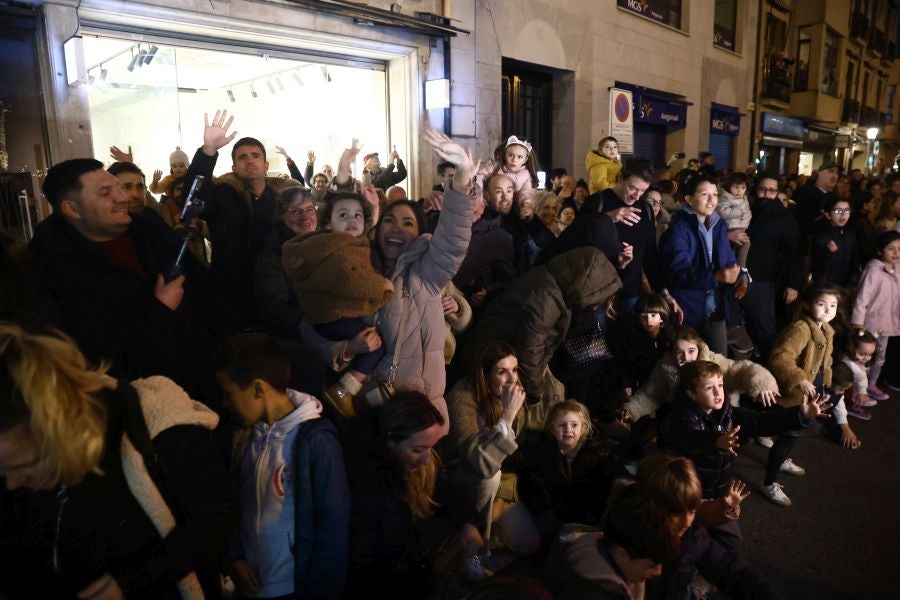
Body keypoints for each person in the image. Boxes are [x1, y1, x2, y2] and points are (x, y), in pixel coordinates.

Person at [0, 324, 236, 599]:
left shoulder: (154, 427)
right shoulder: (11, 466)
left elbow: (218, 515)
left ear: (60, 428)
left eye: (22, 467)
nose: (12, 483)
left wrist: (132, 581)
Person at [304, 129, 478, 432]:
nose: (396, 229)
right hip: (363, 410)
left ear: (420, 233)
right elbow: (312, 323)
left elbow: (453, 239)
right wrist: (346, 349)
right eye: (389, 220)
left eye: (407, 223)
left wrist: (461, 180)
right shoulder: (355, 267)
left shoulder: (426, 274)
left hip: (417, 412)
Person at [25, 158, 215, 403]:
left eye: (118, 187)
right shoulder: (49, 269)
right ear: (72, 209)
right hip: (128, 404)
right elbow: (89, 355)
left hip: (193, 386)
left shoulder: (149, 230)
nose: (123, 197)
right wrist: (159, 310)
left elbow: (203, 287)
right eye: (106, 192)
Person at [214, 333, 349, 600]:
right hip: (252, 586)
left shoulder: (315, 442)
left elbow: (332, 532)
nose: (224, 403)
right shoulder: (243, 437)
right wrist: (235, 557)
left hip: (293, 589)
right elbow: (232, 504)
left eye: (229, 393)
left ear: (258, 388)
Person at [343, 390, 485, 597]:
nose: (426, 459)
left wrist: (469, 523)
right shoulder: (368, 484)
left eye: (430, 448)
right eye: (418, 450)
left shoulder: (419, 464)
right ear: (390, 439)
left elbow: (448, 493)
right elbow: (362, 559)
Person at [183, 110, 300, 334]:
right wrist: (208, 151)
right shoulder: (222, 197)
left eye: (255, 155)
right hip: (230, 295)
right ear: (234, 167)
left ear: (266, 165)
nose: (249, 161)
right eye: (242, 157)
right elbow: (192, 198)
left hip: (275, 293)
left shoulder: (282, 203)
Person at [458, 246, 622, 405]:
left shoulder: (552, 283)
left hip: (494, 356)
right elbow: (529, 348)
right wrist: (533, 392)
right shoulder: (548, 297)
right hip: (489, 363)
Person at [283, 192, 393, 415]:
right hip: (335, 317)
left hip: (329, 317)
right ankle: (342, 392)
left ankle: (351, 397)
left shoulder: (339, 243)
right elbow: (349, 278)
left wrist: (374, 212)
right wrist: (382, 286)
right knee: (374, 348)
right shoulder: (337, 248)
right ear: (327, 224)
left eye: (358, 215)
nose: (352, 220)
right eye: (343, 215)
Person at [660, 360, 830, 504]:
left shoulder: (727, 412)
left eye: (720, 384)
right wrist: (716, 441)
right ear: (692, 394)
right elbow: (690, 438)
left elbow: (762, 422)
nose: (718, 392)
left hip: (720, 484)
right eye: (709, 388)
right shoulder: (680, 417)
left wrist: (799, 415)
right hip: (691, 489)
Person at [444, 341, 553, 557]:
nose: (512, 378)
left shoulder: (510, 393)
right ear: (485, 374)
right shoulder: (463, 396)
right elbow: (480, 464)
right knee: (490, 477)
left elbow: (516, 453)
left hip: (501, 483)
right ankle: (476, 549)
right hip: (462, 482)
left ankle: (494, 519)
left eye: (514, 370)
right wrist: (508, 414)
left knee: (529, 543)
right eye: (502, 372)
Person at [582, 158, 683, 324]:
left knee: (628, 347)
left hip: (631, 294)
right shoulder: (597, 202)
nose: (636, 196)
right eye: (632, 188)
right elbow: (577, 239)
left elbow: (650, 256)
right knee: (599, 349)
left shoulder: (646, 210)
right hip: (597, 295)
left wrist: (665, 294)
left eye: (643, 191)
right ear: (620, 178)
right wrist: (606, 219)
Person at [766, 284, 841, 506]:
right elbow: (779, 357)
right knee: (787, 436)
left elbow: (825, 362)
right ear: (807, 305)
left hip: (811, 391)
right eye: (822, 304)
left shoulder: (826, 329)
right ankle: (768, 482)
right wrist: (801, 379)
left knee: (795, 433)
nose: (828, 310)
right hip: (795, 392)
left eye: (833, 305)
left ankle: (779, 460)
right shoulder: (800, 328)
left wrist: (825, 384)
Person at [659, 175, 746, 354]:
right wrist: (716, 276)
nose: (712, 200)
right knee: (689, 362)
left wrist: (741, 276)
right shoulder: (679, 229)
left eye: (715, 194)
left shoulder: (719, 225)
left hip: (716, 307)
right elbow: (679, 272)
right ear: (689, 199)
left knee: (718, 360)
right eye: (705, 194)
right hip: (689, 307)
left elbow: (729, 260)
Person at [622, 326, 780, 424]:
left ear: (698, 349)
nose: (686, 358)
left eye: (691, 351)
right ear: (672, 353)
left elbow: (740, 369)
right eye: (679, 353)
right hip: (686, 423)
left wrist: (762, 384)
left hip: (719, 421)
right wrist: (630, 410)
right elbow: (651, 393)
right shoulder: (665, 368)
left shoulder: (712, 361)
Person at [518, 400, 626, 542]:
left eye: (574, 425)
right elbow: (537, 491)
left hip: (593, 516)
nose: (568, 430)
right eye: (562, 425)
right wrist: (552, 522)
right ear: (551, 428)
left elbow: (618, 475)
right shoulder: (543, 455)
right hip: (558, 516)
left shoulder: (599, 452)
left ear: (583, 428)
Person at [542, 483, 668, 599]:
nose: (658, 572)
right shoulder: (590, 593)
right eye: (651, 565)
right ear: (621, 554)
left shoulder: (615, 554)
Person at [741, 175, 807, 361]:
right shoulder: (745, 210)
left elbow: (794, 254)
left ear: (777, 193)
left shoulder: (785, 218)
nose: (766, 194)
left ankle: (774, 368)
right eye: (763, 189)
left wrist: (793, 284)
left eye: (771, 190)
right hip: (737, 277)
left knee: (764, 329)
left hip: (764, 281)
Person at [851, 230, 900, 401]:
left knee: (880, 356)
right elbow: (861, 298)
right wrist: (858, 323)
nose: (896, 253)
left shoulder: (897, 270)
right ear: (880, 250)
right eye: (891, 249)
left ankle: (871, 385)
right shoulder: (873, 270)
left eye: (899, 249)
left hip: (888, 323)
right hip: (872, 324)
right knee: (865, 358)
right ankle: (858, 393)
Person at [810, 196, 861, 287]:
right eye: (838, 211)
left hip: (845, 286)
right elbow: (816, 265)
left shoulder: (849, 233)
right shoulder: (821, 234)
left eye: (847, 211)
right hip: (825, 287)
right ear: (827, 214)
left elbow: (854, 260)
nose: (843, 215)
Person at [839, 329, 879, 422]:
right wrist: (862, 392)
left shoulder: (857, 360)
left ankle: (852, 404)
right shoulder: (847, 361)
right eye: (862, 354)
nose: (867, 358)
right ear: (851, 348)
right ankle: (849, 406)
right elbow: (860, 376)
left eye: (870, 354)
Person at [716, 172, 752, 268]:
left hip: (741, 227)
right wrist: (739, 212)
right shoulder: (725, 197)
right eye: (736, 187)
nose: (739, 190)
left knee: (739, 247)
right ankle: (741, 267)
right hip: (730, 228)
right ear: (729, 186)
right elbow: (722, 212)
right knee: (745, 243)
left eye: (743, 188)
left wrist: (746, 219)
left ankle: (737, 267)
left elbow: (747, 212)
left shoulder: (744, 198)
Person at [793, 162, 839, 236]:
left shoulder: (833, 197)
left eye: (837, 173)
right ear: (819, 173)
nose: (835, 176)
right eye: (831, 171)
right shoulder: (807, 194)